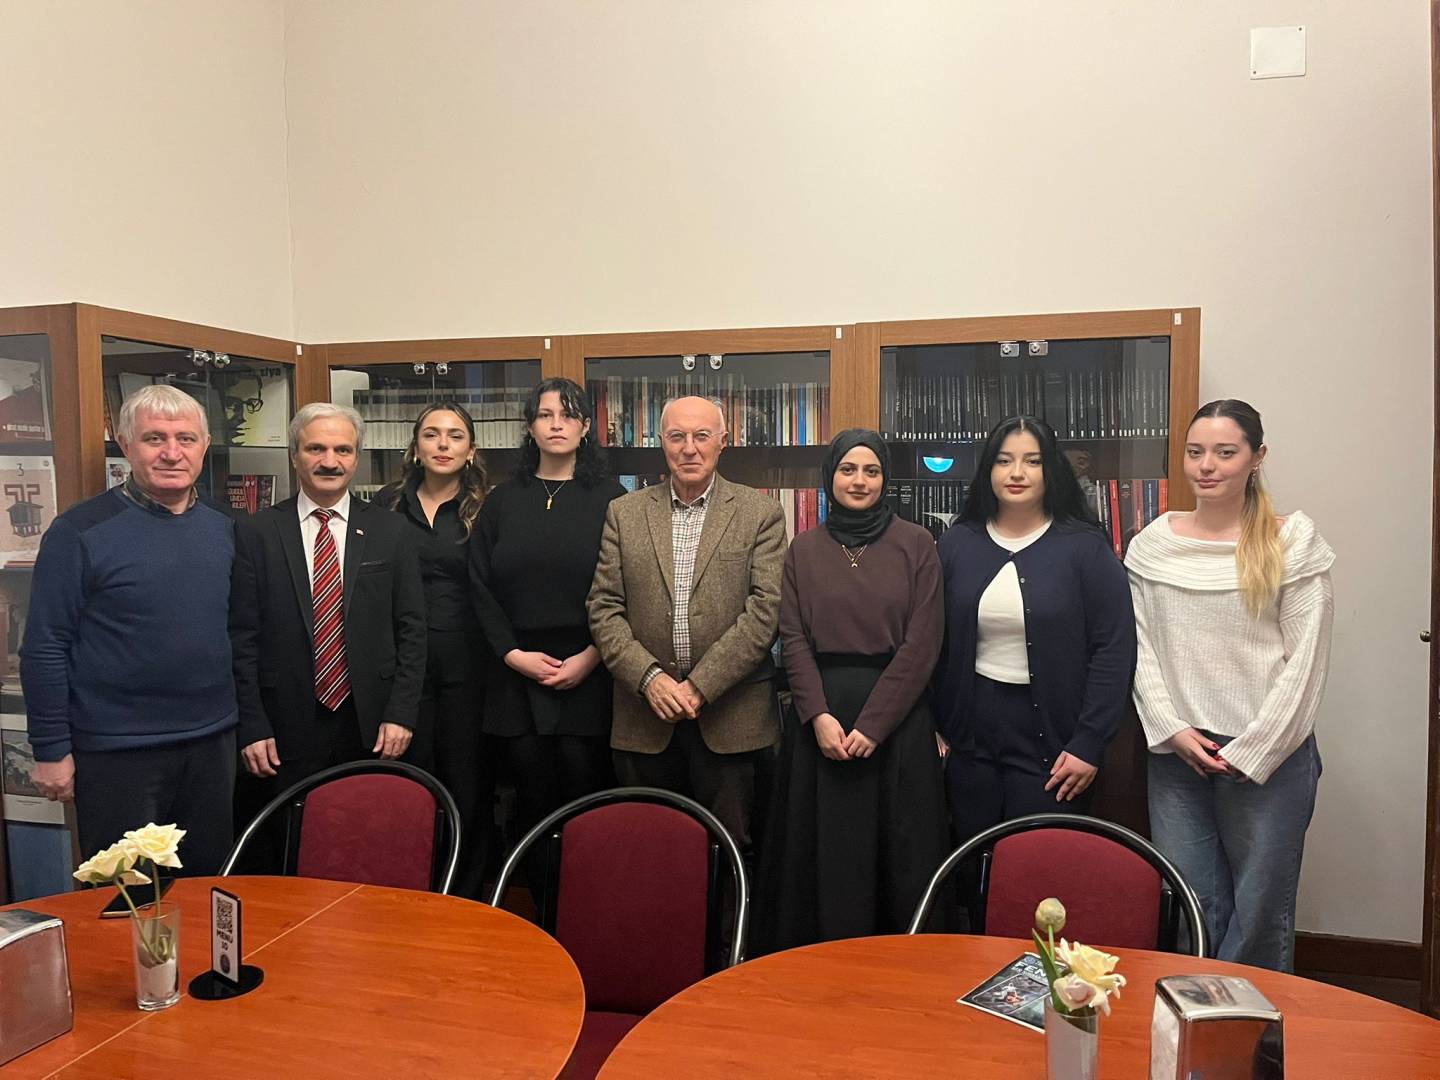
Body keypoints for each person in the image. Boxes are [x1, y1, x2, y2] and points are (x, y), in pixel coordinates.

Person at [1126, 399, 1333, 971]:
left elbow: (1306, 663)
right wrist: (1171, 731)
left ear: (1256, 457)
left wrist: (1255, 750)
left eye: (1225, 452)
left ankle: (1250, 1022)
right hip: (1180, 757)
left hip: (1270, 758)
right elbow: (1139, 650)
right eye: (1195, 452)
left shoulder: (1292, 542)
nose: (1207, 466)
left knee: (1260, 911)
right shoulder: (1153, 545)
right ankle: (1196, 1014)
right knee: (1193, 904)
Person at [21, 384, 238, 874]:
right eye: (154, 438)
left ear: (205, 446)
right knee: (124, 896)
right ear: (125, 444)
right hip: (117, 752)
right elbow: (45, 646)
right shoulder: (79, 532)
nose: (172, 453)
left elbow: (243, 631)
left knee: (206, 888)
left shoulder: (226, 525)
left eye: (186, 439)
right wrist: (51, 749)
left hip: (213, 743)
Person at [761, 429, 948, 949]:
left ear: (885, 479)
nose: (859, 481)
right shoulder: (803, 549)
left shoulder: (917, 544)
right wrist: (817, 716)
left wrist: (873, 725)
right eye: (848, 469)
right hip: (819, 722)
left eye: (871, 471)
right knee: (818, 856)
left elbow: (923, 644)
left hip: (896, 723)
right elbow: (793, 638)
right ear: (831, 477)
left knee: (899, 859)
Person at [587, 395, 785, 851]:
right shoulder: (625, 513)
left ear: (723, 442)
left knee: (729, 850)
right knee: (649, 851)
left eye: (701, 436)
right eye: (677, 436)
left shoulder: (760, 513)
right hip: (644, 717)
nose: (689, 448)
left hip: (731, 718)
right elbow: (603, 606)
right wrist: (650, 679)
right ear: (662, 442)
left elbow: (766, 610)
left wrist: (699, 686)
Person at [932, 415, 1136, 843]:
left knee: (1038, 865)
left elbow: (1114, 651)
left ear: (1051, 470)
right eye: (1004, 460)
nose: (1017, 473)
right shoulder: (957, 543)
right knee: (971, 859)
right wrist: (933, 722)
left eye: (1032, 461)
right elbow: (932, 640)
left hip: (1055, 744)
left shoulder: (1085, 547)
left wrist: (1088, 743)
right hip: (970, 740)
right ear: (988, 469)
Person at [230, 402, 426, 794]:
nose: (330, 461)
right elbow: (241, 637)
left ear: (357, 458)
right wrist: (252, 723)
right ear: (294, 456)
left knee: (366, 822)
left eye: (343, 450)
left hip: (373, 721)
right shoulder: (257, 532)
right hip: (283, 725)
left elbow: (412, 629)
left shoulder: (391, 530)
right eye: (315, 448)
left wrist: (401, 713)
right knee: (289, 826)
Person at [471, 379, 625, 874]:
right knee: (530, 801)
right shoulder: (501, 501)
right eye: (545, 415)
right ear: (530, 426)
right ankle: (534, 903)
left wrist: (592, 656)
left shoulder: (613, 500)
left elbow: (630, 588)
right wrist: (512, 655)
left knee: (586, 800)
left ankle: (586, 902)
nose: (556, 424)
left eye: (568, 415)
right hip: (515, 673)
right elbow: (479, 586)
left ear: (586, 427)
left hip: (590, 671)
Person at [374, 401, 491, 899]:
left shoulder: (485, 507)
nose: (443, 444)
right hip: (403, 663)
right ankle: (413, 891)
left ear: (471, 450)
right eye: (432, 434)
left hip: (468, 663)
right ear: (415, 447)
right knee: (409, 781)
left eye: (455, 436)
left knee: (467, 783)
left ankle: (466, 894)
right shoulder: (387, 504)